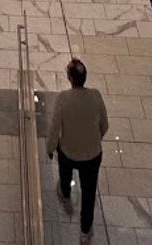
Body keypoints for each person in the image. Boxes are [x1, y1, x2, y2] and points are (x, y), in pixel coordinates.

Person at [47, 58, 109, 242]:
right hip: (92, 155)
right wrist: (94, 140)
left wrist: (51, 147)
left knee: (65, 171)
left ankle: (65, 193)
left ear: (70, 78)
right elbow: (104, 125)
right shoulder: (96, 96)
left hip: (69, 152)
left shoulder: (63, 98)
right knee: (89, 193)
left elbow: (54, 127)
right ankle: (85, 230)